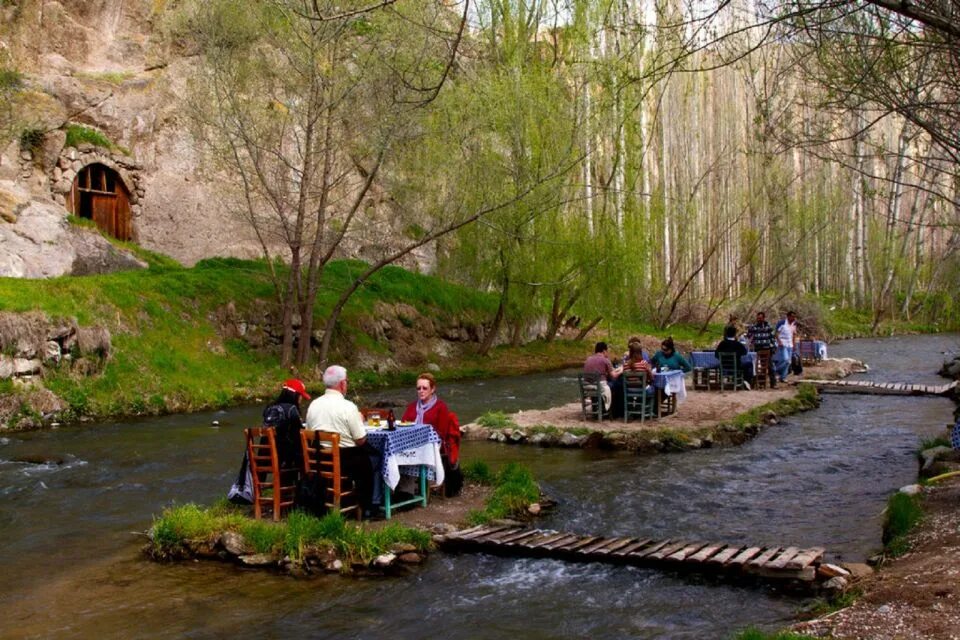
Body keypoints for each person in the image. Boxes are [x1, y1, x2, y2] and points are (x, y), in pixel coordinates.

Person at [304, 365, 377, 515]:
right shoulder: (348, 407)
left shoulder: (313, 405)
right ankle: (369, 505)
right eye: (347, 382)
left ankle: (342, 498)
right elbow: (361, 439)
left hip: (319, 459)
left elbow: (309, 433)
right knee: (374, 458)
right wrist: (359, 420)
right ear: (343, 384)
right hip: (344, 460)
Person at [401, 372, 462, 497]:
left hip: (434, 446)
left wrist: (422, 436)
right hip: (411, 443)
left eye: (425, 388)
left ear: (432, 389)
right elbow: (403, 424)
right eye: (419, 388)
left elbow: (441, 433)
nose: (421, 391)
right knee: (398, 452)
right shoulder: (412, 406)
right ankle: (404, 491)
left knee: (410, 454)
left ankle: (409, 492)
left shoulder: (440, 407)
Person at [263, 378, 310, 471]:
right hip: (284, 459)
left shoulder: (269, 408)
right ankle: (305, 483)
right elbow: (298, 433)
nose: (301, 399)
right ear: (295, 395)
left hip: (266, 456)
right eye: (300, 396)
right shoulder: (291, 409)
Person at [583, 341, 623, 411]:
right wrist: (622, 370)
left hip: (588, 387)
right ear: (604, 351)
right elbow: (614, 375)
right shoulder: (605, 360)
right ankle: (613, 409)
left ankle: (596, 407)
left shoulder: (588, 359)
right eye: (607, 351)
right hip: (600, 387)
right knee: (618, 384)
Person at [746, 311, 777, 388]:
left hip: (767, 349)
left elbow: (772, 338)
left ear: (763, 318)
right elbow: (749, 336)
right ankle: (758, 383)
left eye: (760, 318)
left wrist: (773, 347)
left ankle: (773, 383)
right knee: (754, 366)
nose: (759, 319)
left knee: (770, 366)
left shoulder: (768, 326)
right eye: (758, 318)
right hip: (757, 349)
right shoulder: (754, 327)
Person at [774, 310, 799, 383]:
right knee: (785, 360)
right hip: (783, 344)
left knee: (789, 362)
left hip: (790, 344)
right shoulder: (782, 323)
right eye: (792, 316)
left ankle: (783, 377)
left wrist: (794, 344)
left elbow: (794, 334)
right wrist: (779, 341)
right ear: (788, 316)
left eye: (794, 317)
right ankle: (775, 371)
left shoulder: (794, 324)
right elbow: (776, 333)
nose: (793, 318)